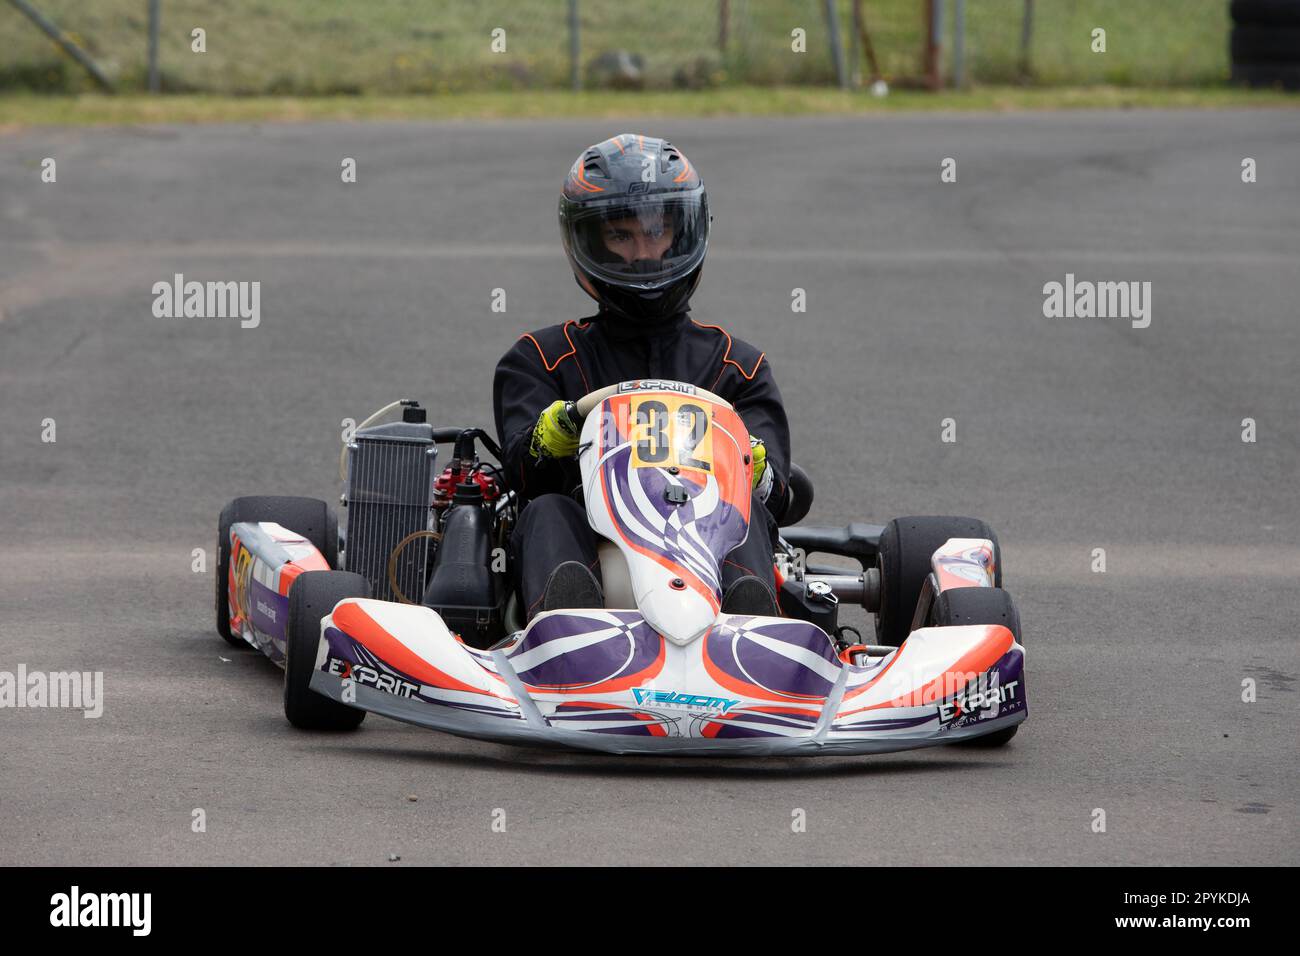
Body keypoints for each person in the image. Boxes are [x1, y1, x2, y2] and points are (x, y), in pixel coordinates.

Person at [492, 133, 791, 621]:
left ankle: (749, 628)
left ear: (686, 232)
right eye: (621, 236)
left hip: (708, 554)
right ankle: (568, 629)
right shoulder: (543, 359)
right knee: (546, 509)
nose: (643, 254)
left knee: (748, 514)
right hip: (591, 550)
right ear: (588, 242)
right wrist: (558, 432)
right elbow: (521, 477)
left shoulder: (737, 366)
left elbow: (779, 495)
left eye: (657, 233)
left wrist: (754, 467)